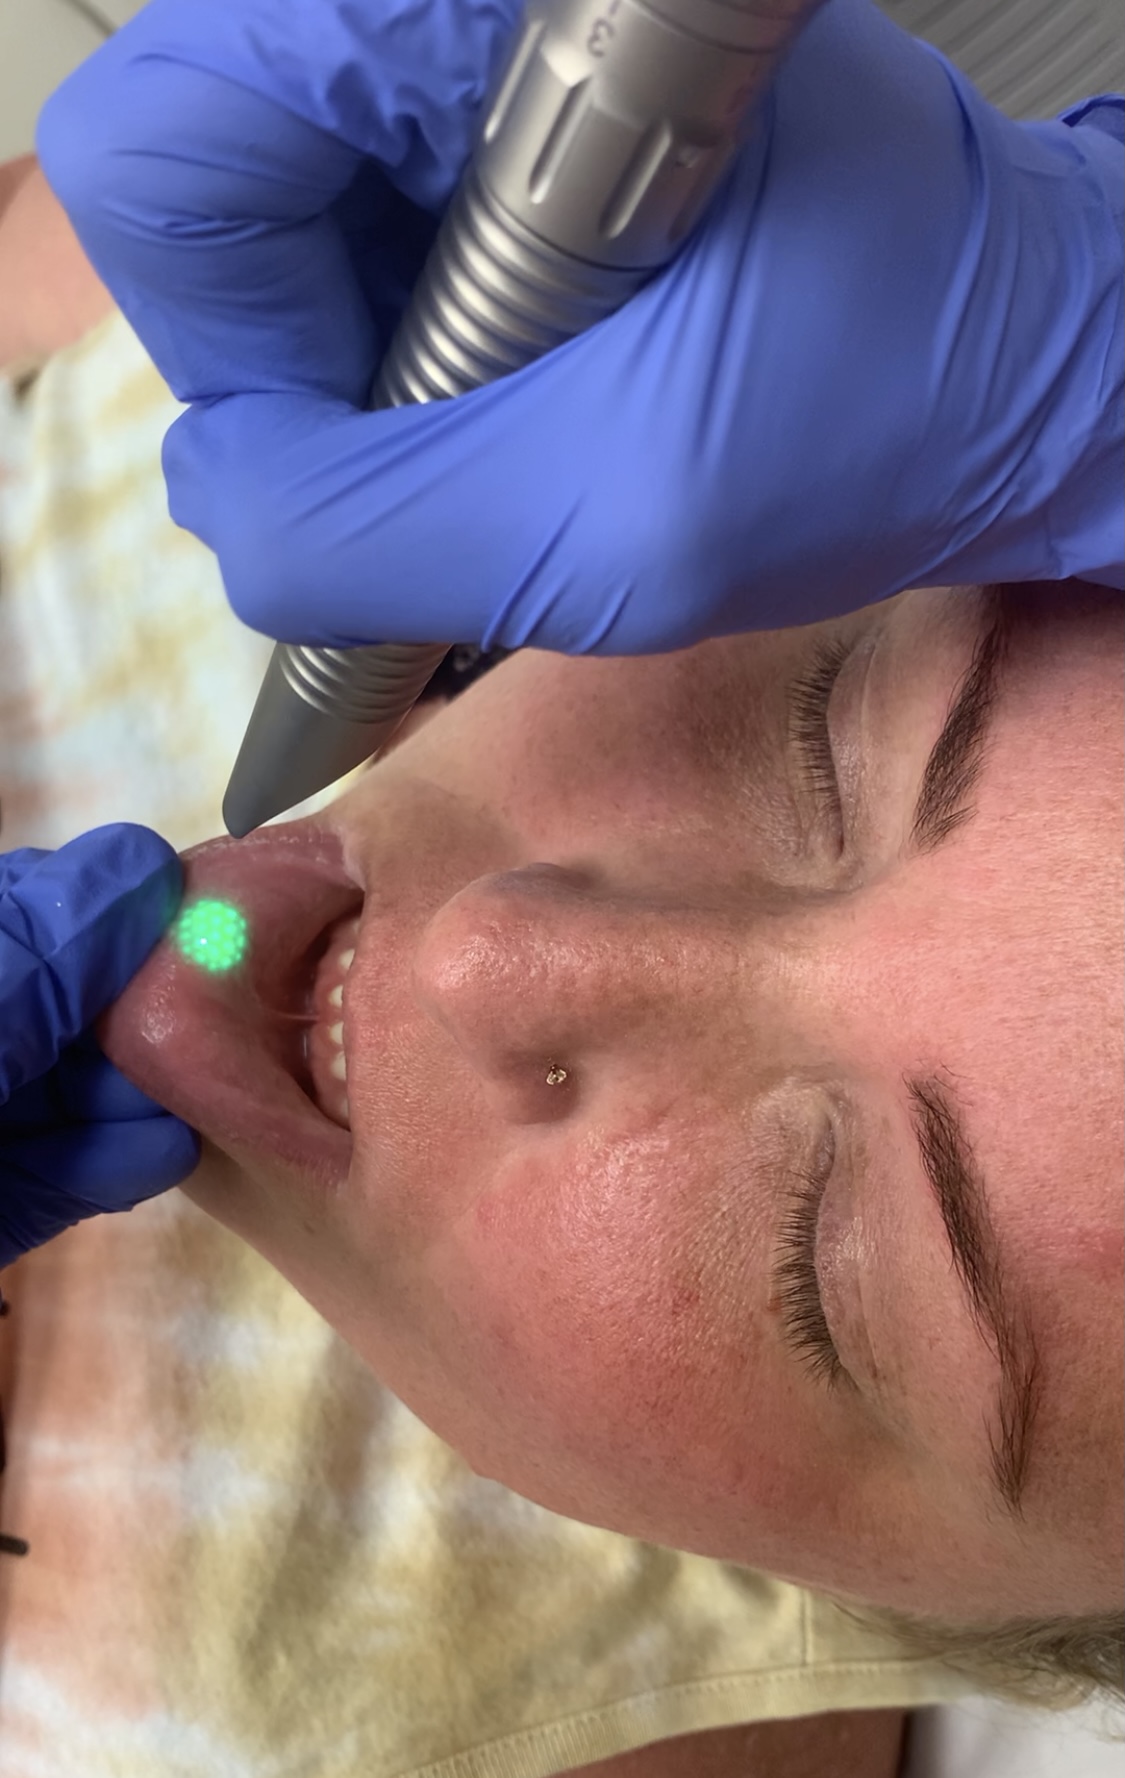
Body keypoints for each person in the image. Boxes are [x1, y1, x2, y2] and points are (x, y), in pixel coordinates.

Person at [0, 138, 1119, 1775]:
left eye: (816, 1265)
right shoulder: (410, 294)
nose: (488, 953)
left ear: (921, 1609)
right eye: (821, 746)